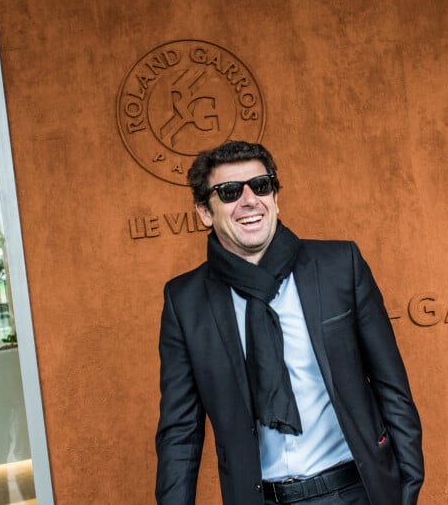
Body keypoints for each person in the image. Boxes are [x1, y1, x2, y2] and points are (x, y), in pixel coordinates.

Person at [155, 140, 424, 505]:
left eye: (261, 185)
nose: (249, 200)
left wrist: (406, 485)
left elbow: (391, 384)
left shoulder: (339, 266)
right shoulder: (185, 302)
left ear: (276, 198)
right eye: (230, 192)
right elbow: (180, 433)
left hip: (355, 490)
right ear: (205, 211)